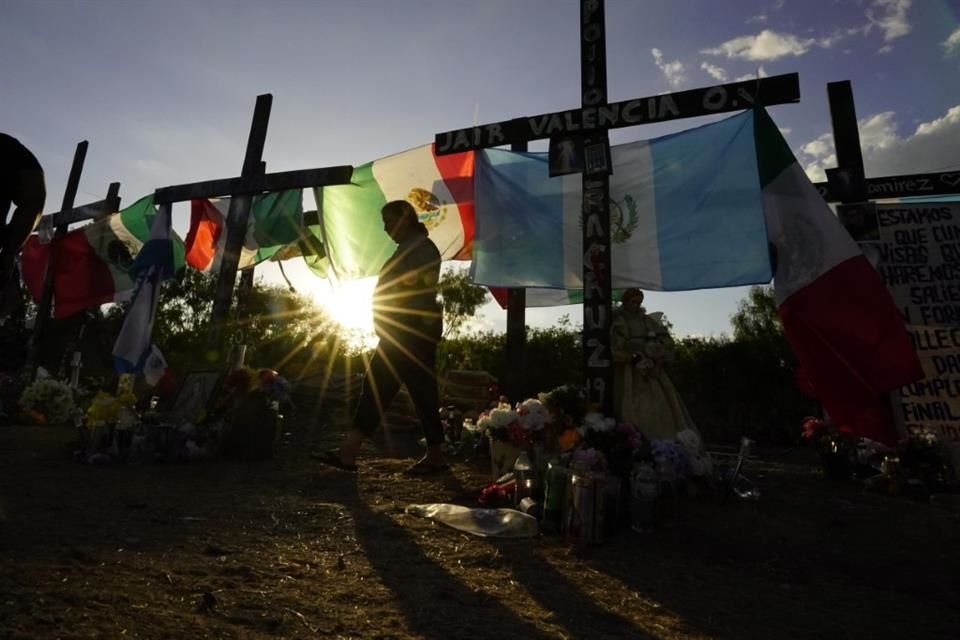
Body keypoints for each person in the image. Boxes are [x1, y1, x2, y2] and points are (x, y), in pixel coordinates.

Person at [313, 200, 447, 474]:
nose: (386, 229)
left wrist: (398, 324)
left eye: (389, 222)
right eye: (384, 224)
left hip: (407, 335)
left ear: (406, 217)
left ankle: (350, 452)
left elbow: (418, 289)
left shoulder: (421, 248)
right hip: (403, 334)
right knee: (415, 394)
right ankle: (433, 456)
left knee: (379, 390)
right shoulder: (410, 249)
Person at [610, 288, 698, 441]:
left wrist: (656, 353)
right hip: (629, 371)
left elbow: (664, 339)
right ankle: (634, 440)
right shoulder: (619, 321)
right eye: (633, 302)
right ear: (625, 302)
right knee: (630, 406)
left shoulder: (647, 321)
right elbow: (617, 345)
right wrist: (634, 353)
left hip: (652, 370)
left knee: (658, 406)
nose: (636, 305)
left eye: (639, 302)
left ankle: (662, 441)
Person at [0, 133, 45, 318]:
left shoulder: (6, 148)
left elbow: (32, 199)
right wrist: (9, 252)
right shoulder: (7, 147)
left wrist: (9, 253)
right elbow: (33, 199)